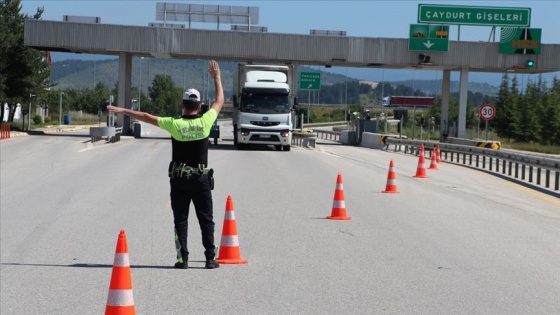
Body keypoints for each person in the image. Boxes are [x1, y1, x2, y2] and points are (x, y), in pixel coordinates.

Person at [107, 60, 224, 269]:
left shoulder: (174, 124)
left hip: (179, 180)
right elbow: (219, 101)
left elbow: (146, 116)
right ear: (199, 107)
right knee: (206, 219)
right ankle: (209, 259)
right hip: (200, 179)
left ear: (182, 105)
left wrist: (123, 110)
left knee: (181, 219)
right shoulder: (205, 122)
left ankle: (183, 259)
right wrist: (217, 77)